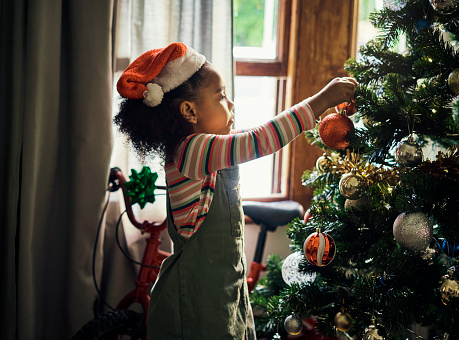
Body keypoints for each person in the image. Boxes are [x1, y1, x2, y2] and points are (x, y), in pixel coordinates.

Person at [115, 42, 357, 340]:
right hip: (196, 296)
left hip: (224, 286)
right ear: (189, 111)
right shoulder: (192, 150)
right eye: (221, 95)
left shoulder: (205, 149)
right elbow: (261, 139)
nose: (231, 105)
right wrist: (321, 101)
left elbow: (256, 138)